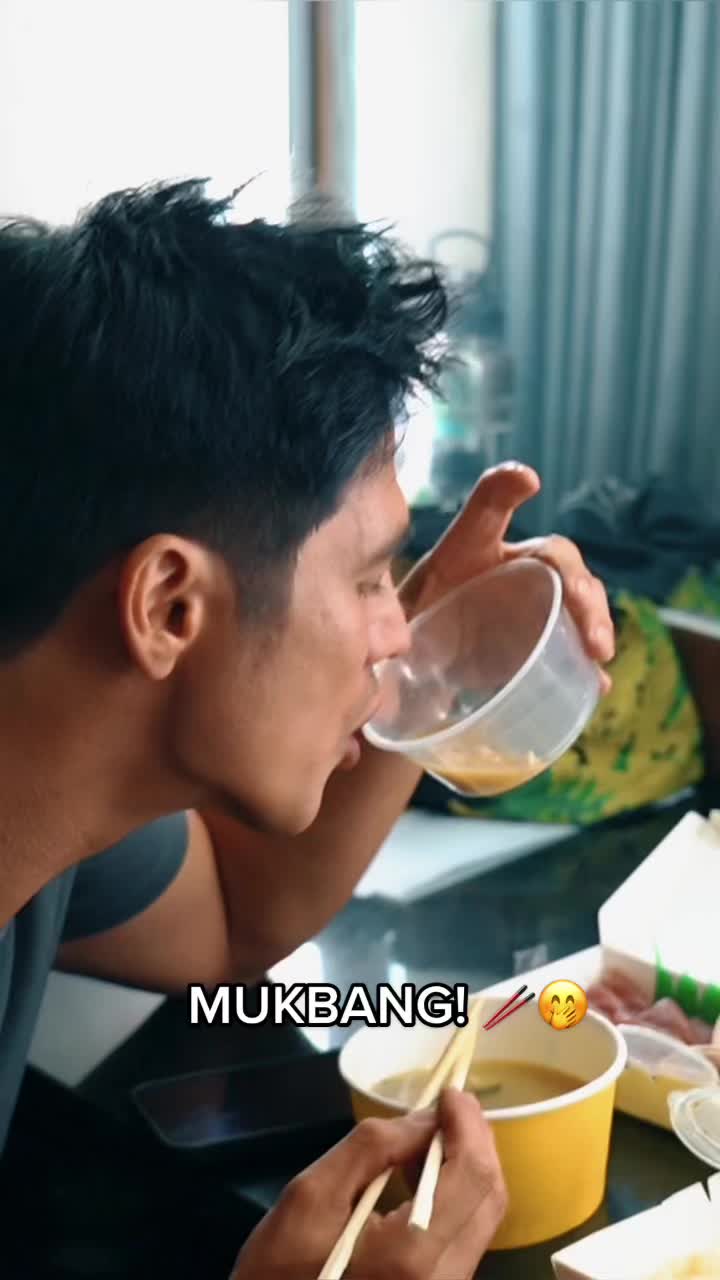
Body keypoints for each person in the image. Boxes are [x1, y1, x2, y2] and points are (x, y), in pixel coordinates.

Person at [0, 179, 614, 1279]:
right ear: (169, 606)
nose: (395, 632)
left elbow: (237, 917)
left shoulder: (43, 803)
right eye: (372, 576)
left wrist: (436, 656)